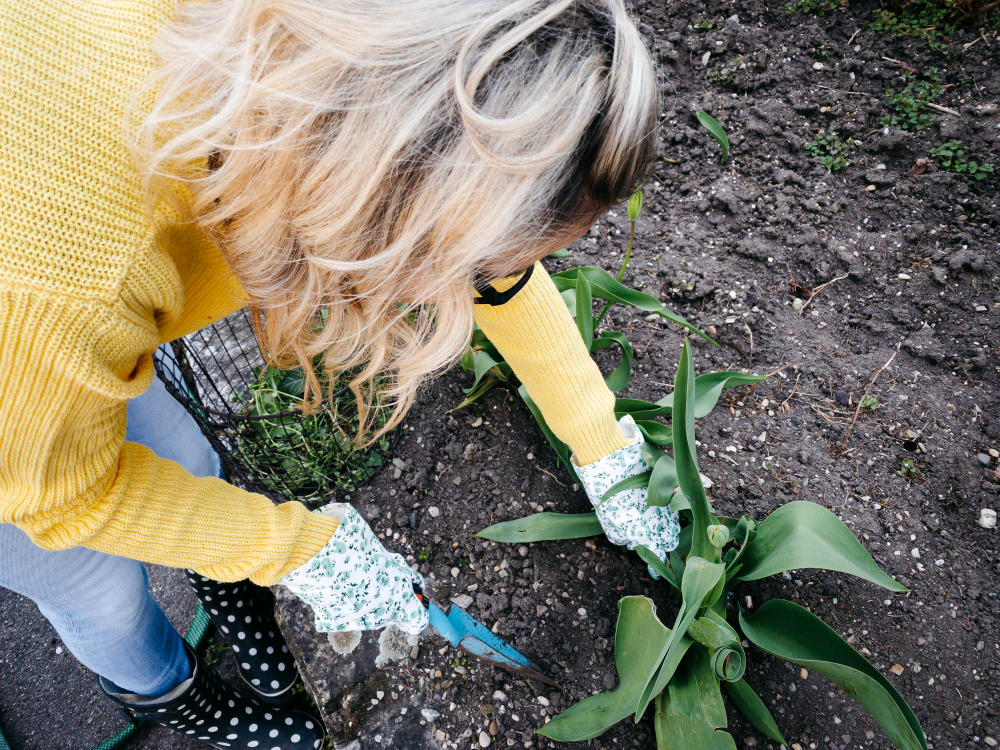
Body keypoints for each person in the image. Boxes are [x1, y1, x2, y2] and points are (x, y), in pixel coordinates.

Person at [0, 1, 680, 747]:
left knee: (181, 459)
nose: (471, 288)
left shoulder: (357, 53)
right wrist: (296, 552)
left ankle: (220, 583)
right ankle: (165, 691)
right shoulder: (73, 274)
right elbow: (59, 493)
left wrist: (600, 440)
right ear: (388, 201)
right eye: (462, 266)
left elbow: (496, 270)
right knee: (96, 591)